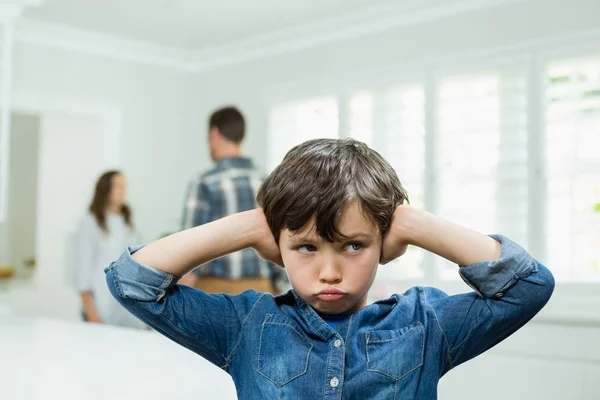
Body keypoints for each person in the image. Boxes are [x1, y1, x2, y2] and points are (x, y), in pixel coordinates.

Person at [105, 138, 554, 398]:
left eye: (353, 245)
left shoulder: (424, 324)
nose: (329, 272)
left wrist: (410, 221)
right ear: (276, 244)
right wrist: (250, 225)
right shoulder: (247, 325)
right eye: (305, 248)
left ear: (384, 242)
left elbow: (530, 286)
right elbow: (132, 282)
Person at [178, 105, 285, 294]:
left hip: (215, 290)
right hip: (262, 288)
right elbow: (279, 236)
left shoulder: (204, 181)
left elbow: (191, 244)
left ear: (214, 134)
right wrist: (277, 283)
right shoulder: (267, 180)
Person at [73, 170, 144, 329]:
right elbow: (82, 273)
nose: (123, 190)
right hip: (99, 307)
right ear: (105, 189)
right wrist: (92, 313)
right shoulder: (90, 223)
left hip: (126, 309)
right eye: (117, 186)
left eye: (124, 185)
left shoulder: (130, 223)